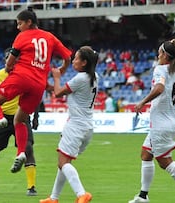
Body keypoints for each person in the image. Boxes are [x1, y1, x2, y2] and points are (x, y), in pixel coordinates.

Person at [0, 6, 71, 173]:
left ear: (29, 22)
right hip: (39, 85)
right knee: (20, 120)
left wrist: (9, 69)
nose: (18, 27)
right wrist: (61, 70)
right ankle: (21, 153)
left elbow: (10, 62)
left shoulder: (22, 36)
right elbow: (67, 57)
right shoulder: (50, 37)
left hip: (22, 76)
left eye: (19, 23)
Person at [128, 39, 175, 203]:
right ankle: (143, 196)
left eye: (159, 52)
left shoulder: (160, 70)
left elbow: (160, 88)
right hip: (168, 122)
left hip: (160, 125)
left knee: (164, 162)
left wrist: (143, 102)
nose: (157, 54)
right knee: (146, 155)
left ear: (164, 55)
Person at [39, 46, 98, 203]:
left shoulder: (80, 78)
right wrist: (47, 85)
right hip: (87, 127)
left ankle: (81, 194)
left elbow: (58, 92)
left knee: (63, 162)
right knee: (64, 163)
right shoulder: (93, 76)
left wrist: (56, 77)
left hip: (76, 126)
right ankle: (53, 198)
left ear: (84, 62)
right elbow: (61, 90)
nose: (74, 60)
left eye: (77, 58)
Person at [0, 48, 39, 196]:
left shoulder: (24, 77)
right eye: (9, 60)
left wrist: (36, 116)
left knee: (28, 149)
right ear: (6, 60)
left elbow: (35, 96)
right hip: (4, 118)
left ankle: (31, 187)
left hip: (21, 116)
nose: (12, 63)